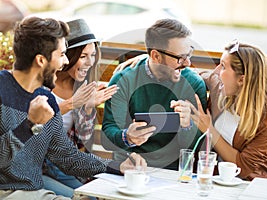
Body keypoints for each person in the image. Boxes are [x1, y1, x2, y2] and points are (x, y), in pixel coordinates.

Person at [0, 16, 146, 200]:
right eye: (61, 55)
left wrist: (118, 166)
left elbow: (67, 156)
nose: (65, 62)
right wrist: (31, 125)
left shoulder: (46, 100)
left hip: (34, 191)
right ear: (40, 60)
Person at [101, 19, 207, 170]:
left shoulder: (193, 84)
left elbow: (196, 146)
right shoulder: (123, 80)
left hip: (173, 171)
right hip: (131, 167)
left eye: (189, 54)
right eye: (180, 58)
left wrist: (186, 126)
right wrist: (127, 137)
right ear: (156, 56)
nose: (187, 63)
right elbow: (108, 135)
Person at [187, 40, 267, 180]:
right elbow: (196, 75)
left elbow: (243, 167)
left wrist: (210, 130)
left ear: (241, 80)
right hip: (215, 180)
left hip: (252, 184)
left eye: (223, 66)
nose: (216, 71)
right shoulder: (220, 87)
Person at [42, 18, 118, 198]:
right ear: (67, 56)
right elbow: (32, 126)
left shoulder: (81, 86)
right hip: (41, 165)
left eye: (93, 55)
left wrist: (89, 108)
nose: (89, 62)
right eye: (83, 56)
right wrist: (70, 104)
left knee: (93, 195)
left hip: (64, 164)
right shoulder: (42, 85)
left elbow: (83, 140)